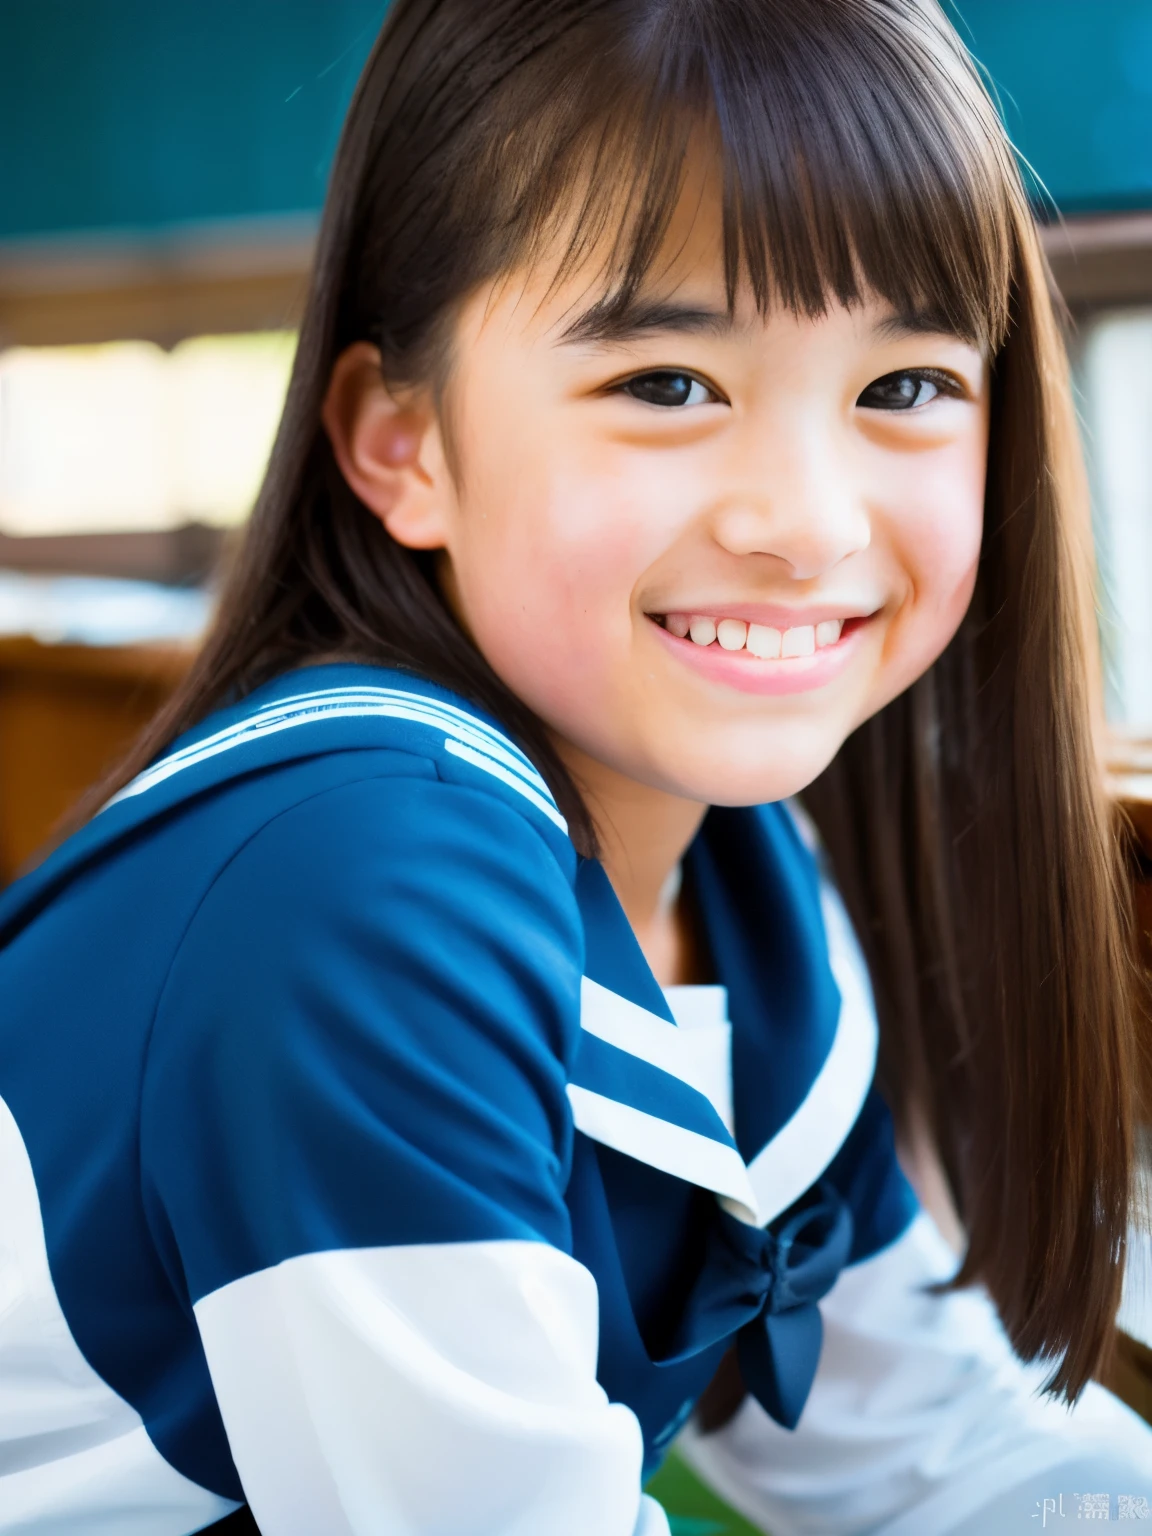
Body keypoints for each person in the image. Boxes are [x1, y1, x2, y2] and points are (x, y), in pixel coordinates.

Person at [2, 1, 1150, 1531]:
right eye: (667, 385)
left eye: (904, 388)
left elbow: (931, 1452)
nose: (805, 522)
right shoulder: (354, 889)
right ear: (399, 443)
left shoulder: (750, 878)